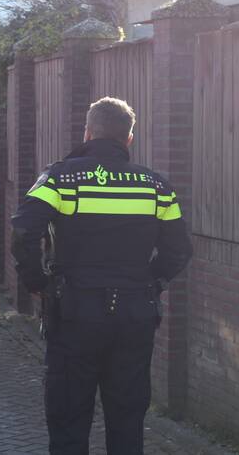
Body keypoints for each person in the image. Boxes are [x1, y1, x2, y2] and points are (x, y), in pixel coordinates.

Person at [11, 97, 192, 455]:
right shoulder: (156, 186)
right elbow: (179, 250)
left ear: (88, 132)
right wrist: (150, 284)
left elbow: (22, 232)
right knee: (127, 419)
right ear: (129, 139)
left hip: (75, 314)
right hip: (135, 315)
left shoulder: (62, 178)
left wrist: (38, 285)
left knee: (69, 419)